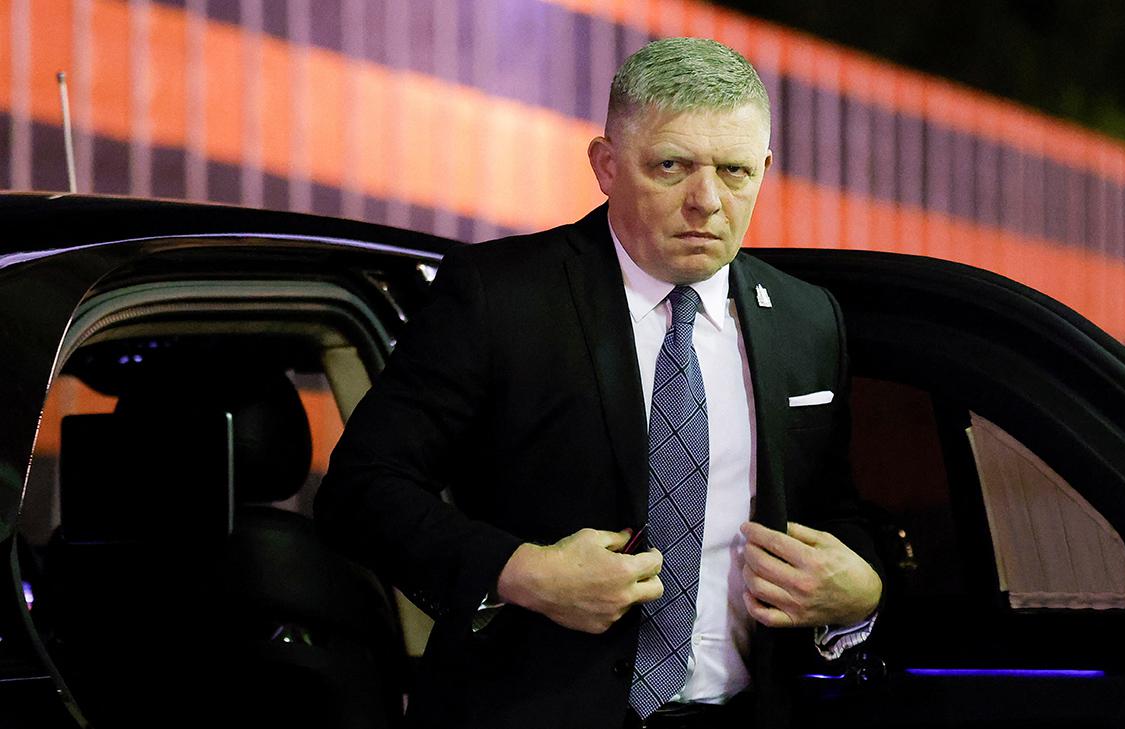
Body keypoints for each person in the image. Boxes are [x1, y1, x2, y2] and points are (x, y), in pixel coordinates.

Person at [315, 37, 883, 729]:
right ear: (606, 166)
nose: (707, 201)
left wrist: (863, 589)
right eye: (671, 166)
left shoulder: (806, 318)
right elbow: (361, 491)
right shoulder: (500, 296)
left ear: (764, 170)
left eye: (734, 171)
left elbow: (834, 508)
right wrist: (519, 572)